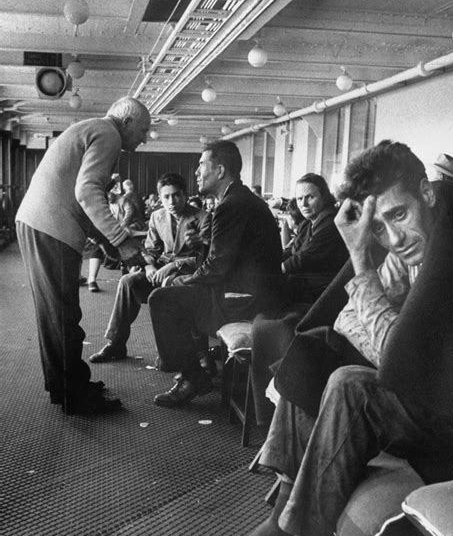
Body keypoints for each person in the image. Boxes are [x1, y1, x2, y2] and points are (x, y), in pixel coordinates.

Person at [225, 140, 453, 536]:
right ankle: (288, 510)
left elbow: (399, 360)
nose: (394, 237)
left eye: (398, 215)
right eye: (377, 228)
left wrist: (361, 262)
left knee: (349, 383)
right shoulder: (410, 250)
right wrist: (384, 326)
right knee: (313, 352)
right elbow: (346, 321)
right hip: (428, 396)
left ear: (427, 192)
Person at [16, 96, 151, 415]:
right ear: (127, 122)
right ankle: (76, 397)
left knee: (54, 315)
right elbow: (87, 194)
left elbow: (82, 201)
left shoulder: (92, 129)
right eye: (143, 130)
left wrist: (107, 245)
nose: (144, 138)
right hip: (51, 228)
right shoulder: (109, 135)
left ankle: (64, 386)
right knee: (64, 316)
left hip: (39, 224)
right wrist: (122, 241)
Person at [150, 140, 284, 407]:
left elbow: (216, 268)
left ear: (220, 170)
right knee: (175, 295)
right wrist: (202, 245)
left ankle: (192, 376)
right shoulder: (240, 199)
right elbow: (230, 258)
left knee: (162, 298)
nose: (197, 172)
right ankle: (194, 365)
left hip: (246, 300)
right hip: (254, 292)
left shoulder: (231, 204)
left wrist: (179, 279)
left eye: (201, 165)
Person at [251, 173, 348, 425]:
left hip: (321, 297)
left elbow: (304, 258)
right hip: (301, 288)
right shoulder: (308, 224)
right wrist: (271, 263)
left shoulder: (332, 224)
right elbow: (290, 251)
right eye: (299, 198)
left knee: (261, 305)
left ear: (324, 197)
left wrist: (275, 269)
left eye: (310, 197)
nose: (304, 203)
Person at [89, 172, 211, 363]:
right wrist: (148, 267)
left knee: (169, 287)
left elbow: (206, 258)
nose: (172, 201)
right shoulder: (157, 216)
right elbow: (150, 249)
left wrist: (173, 265)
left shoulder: (203, 217)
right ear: (160, 198)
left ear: (185, 195)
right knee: (128, 282)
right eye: (166, 197)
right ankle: (116, 344)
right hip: (160, 269)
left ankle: (198, 353)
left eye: (176, 195)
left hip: (190, 273)